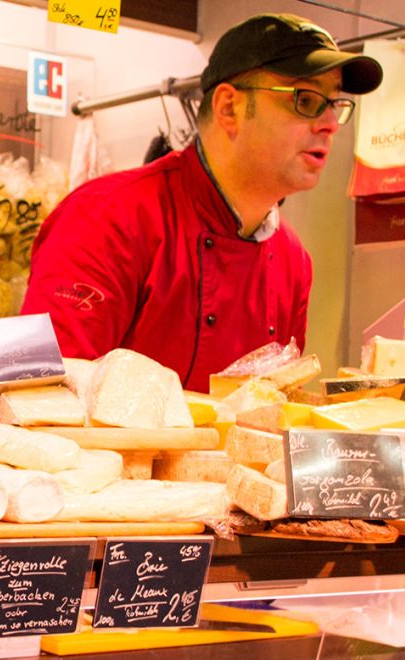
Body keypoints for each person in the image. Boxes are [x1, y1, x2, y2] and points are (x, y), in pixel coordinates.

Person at [20, 14, 383, 390]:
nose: (330, 123)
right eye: (306, 100)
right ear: (229, 108)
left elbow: (268, 417)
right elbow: (37, 399)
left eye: (334, 104)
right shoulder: (105, 218)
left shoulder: (293, 260)